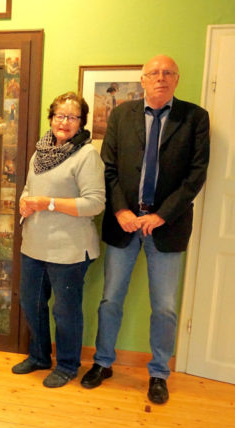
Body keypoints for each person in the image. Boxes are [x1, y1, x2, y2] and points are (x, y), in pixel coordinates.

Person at [80, 55, 210, 405]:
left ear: (177, 79)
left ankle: (158, 373)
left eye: (168, 73)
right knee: (110, 299)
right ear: (143, 79)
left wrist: (162, 215)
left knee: (165, 307)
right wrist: (121, 208)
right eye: (154, 73)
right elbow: (108, 169)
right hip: (124, 223)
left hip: (166, 227)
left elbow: (195, 176)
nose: (160, 78)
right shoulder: (122, 115)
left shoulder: (195, 118)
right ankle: (103, 362)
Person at [12, 92, 105, 388]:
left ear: (81, 122)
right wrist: (25, 201)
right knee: (31, 302)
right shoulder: (40, 152)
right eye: (59, 116)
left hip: (70, 250)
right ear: (51, 119)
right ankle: (39, 356)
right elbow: (29, 187)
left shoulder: (87, 155)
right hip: (34, 245)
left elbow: (95, 203)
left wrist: (48, 202)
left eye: (72, 117)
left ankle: (67, 364)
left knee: (65, 311)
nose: (64, 122)